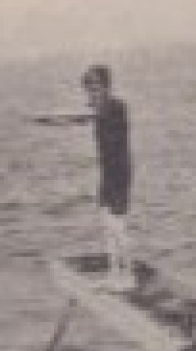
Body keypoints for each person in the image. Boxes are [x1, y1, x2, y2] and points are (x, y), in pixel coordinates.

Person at [34, 64, 133, 291]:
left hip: (119, 174)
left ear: (107, 87)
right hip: (107, 173)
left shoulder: (117, 107)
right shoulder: (98, 108)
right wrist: (49, 123)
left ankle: (127, 276)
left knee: (117, 226)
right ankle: (114, 273)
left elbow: (83, 115)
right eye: (89, 89)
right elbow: (78, 119)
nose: (92, 93)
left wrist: (49, 117)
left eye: (96, 88)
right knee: (107, 224)